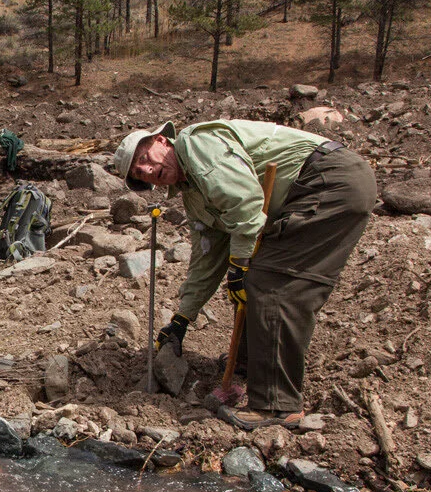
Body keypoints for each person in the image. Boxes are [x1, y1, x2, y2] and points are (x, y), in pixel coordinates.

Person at [114, 120, 376, 430]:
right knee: (260, 277)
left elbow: (247, 204)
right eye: (138, 174)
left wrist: (239, 265)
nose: (145, 171)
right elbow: (207, 259)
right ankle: (252, 367)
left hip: (328, 180)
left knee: (273, 282)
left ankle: (277, 406)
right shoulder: (194, 195)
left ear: (161, 141)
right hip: (318, 188)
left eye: (143, 159)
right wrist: (182, 318)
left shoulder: (195, 145)